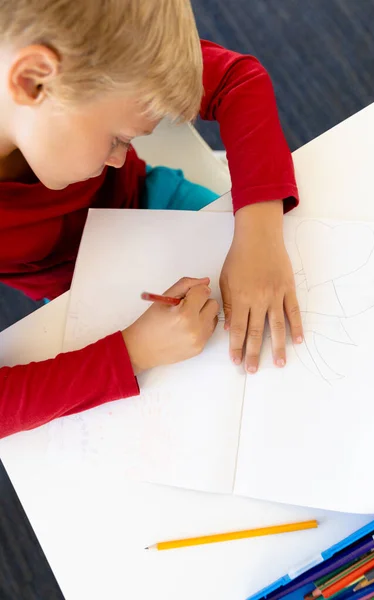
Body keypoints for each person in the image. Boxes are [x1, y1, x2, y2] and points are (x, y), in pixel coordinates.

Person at [0, 0, 303, 438]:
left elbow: (239, 79)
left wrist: (260, 234)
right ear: (33, 81)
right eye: (118, 139)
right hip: (76, 291)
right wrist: (132, 353)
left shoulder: (100, 48)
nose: (121, 160)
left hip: (153, 200)